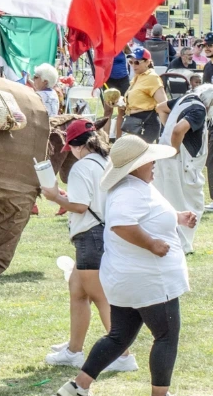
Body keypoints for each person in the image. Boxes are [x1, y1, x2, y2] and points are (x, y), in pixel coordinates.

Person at [56, 135, 194, 396]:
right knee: (166, 335)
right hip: (149, 280)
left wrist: (178, 218)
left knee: (119, 336)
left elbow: (146, 215)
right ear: (136, 166)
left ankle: (78, 387)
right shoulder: (130, 191)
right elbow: (121, 224)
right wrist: (152, 244)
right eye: (149, 160)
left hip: (129, 279)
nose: (154, 163)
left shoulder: (135, 186)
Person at [41, 120, 137, 372]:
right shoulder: (106, 162)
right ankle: (74, 350)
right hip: (102, 233)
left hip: (89, 235)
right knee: (78, 291)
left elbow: (80, 206)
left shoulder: (82, 167)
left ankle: (123, 356)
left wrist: (55, 197)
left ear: (76, 146)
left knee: (99, 296)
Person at [153, 85, 213, 254]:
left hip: (166, 156)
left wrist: (169, 135)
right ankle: (183, 244)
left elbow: (160, 108)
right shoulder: (199, 110)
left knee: (166, 199)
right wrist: (175, 147)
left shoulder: (184, 99)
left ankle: (171, 239)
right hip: (181, 161)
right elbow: (179, 130)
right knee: (188, 203)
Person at [119, 47, 166, 144]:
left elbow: (164, 104)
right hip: (133, 122)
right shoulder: (138, 76)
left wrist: (167, 129)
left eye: (137, 62)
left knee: (141, 152)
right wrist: (118, 102)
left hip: (147, 124)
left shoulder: (152, 77)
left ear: (147, 62)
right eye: (131, 62)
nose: (133, 65)